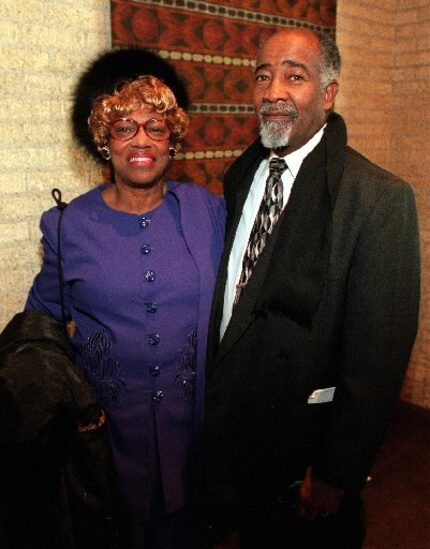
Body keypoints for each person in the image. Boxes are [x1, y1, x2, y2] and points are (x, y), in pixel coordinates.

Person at [205, 28, 420, 549]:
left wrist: (336, 472)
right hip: (240, 447)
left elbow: (378, 357)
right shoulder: (240, 178)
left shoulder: (377, 199)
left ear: (328, 94)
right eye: (262, 75)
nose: (273, 90)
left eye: (294, 76)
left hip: (307, 461)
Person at [26, 75, 225, 549]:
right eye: (124, 128)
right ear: (105, 142)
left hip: (190, 433)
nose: (141, 140)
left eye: (155, 127)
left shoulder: (206, 211)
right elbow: (41, 327)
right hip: (107, 440)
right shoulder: (67, 225)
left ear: (171, 141)